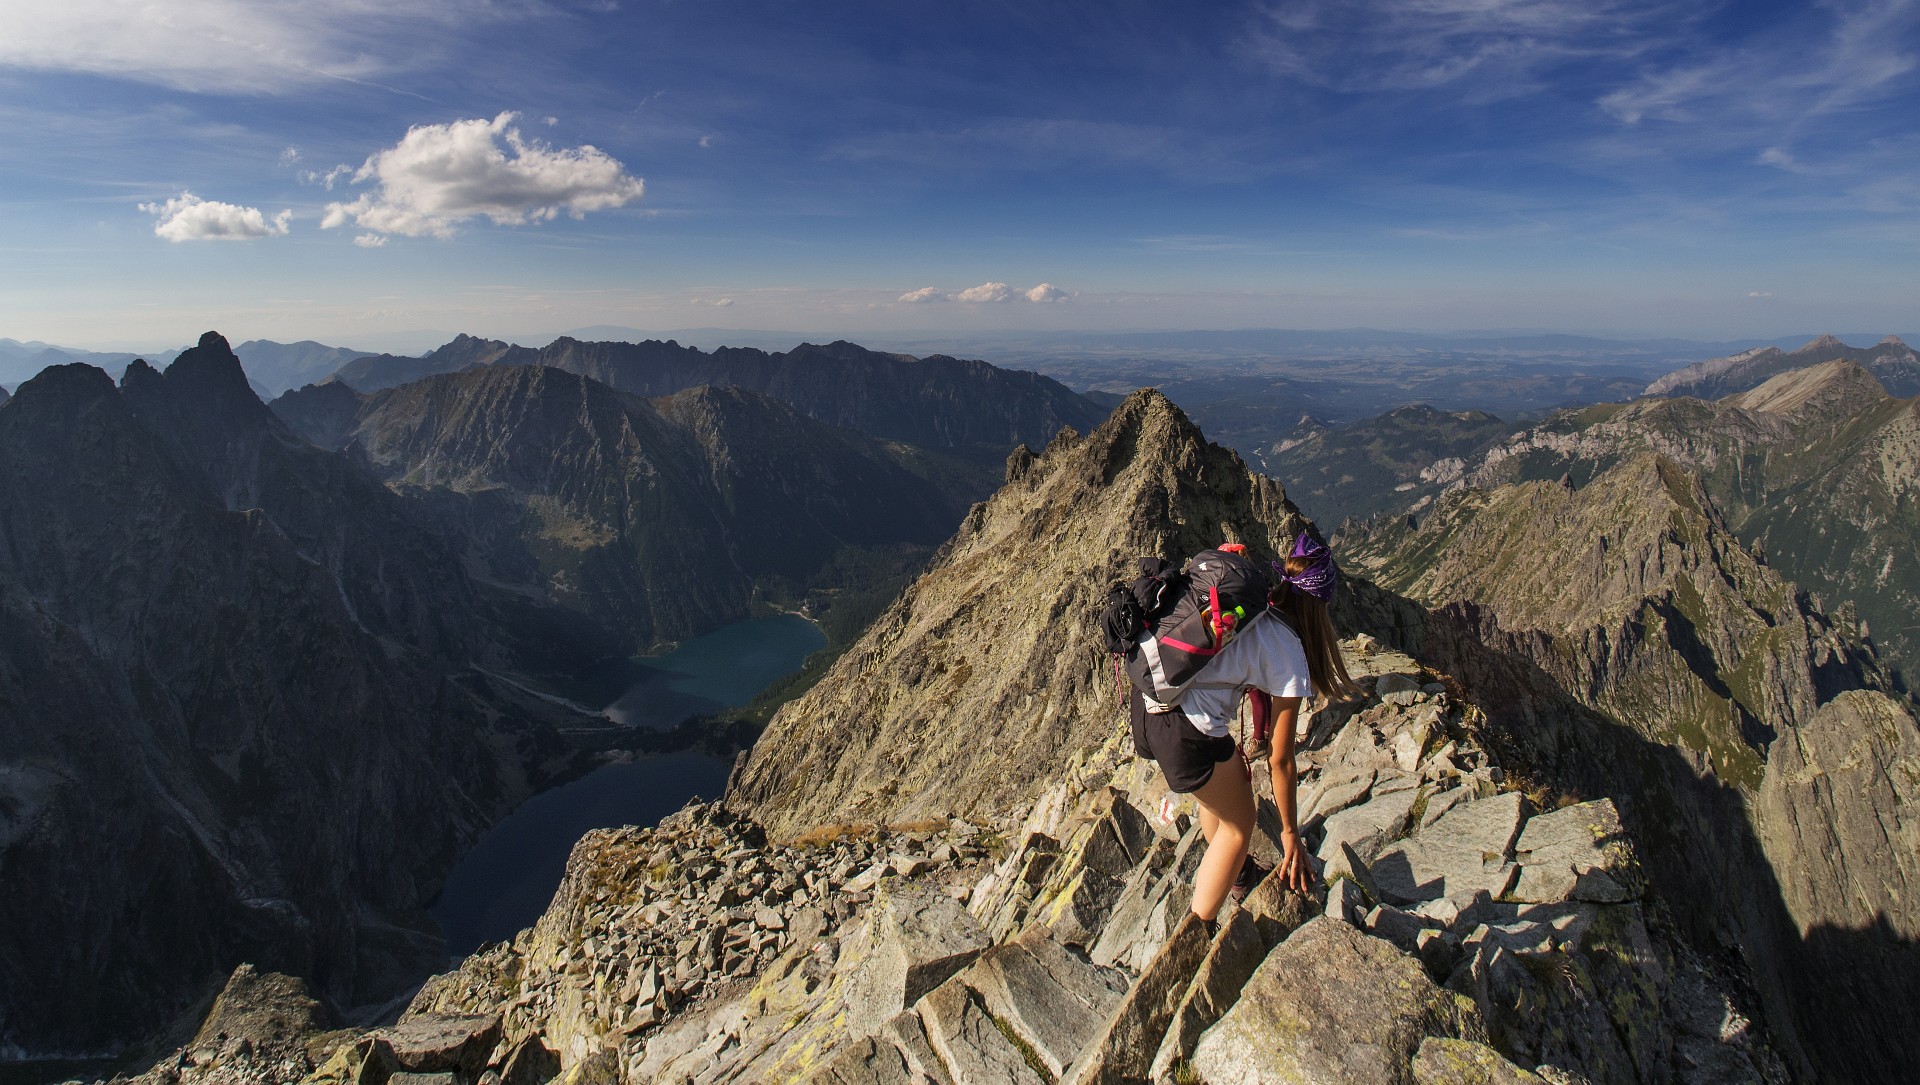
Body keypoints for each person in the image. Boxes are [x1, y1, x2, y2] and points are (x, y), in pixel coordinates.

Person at [1136, 533, 1361, 927]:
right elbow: (1281, 759)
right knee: (1240, 825)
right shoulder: (1290, 653)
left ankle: (1239, 875)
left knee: (1224, 791)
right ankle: (1197, 934)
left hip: (1150, 705)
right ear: (1320, 606)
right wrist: (1289, 832)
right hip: (1187, 732)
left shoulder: (1255, 606)